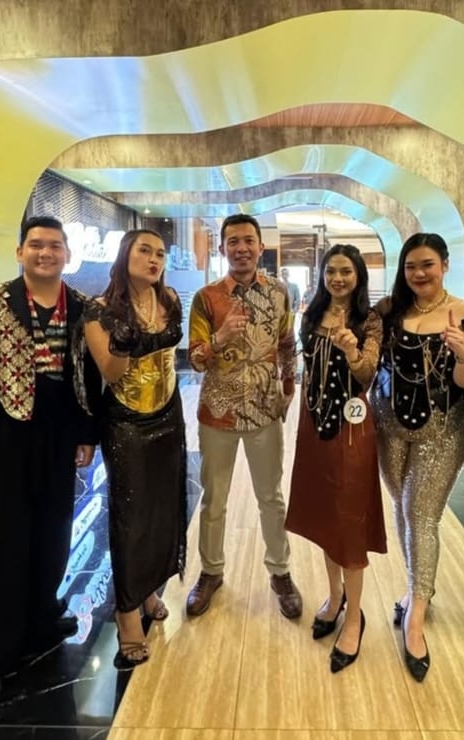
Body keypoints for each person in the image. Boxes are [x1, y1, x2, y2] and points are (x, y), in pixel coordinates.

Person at [0, 216, 100, 711]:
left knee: (53, 533)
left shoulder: (83, 306)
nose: (45, 253)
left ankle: (39, 623)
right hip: (1, 440)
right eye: (36, 245)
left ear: (67, 254)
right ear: (20, 252)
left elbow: (87, 375)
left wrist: (86, 435)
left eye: (54, 245)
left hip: (57, 435)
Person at [370, 232, 464, 682]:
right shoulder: (389, 310)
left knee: (421, 515)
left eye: (427, 265)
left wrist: (462, 352)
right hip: (387, 425)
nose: (419, 274)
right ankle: (418, 588)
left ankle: (415, 617)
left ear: (444, 265)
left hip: (441, 429)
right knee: (402, 507)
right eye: (411, 266)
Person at [186, 214, 302, 619]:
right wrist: (219, 339)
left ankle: (280, 571)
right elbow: (195, 360)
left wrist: (289, 386)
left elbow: (287, 343)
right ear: (222, 248)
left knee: (271, 497)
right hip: (217, 412)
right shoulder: (206, 298)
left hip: (265, 411)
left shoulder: (279, 293)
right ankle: (211, 571)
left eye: (248, 241)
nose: (241, 248)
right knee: (213, 499)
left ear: (260, 247)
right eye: (233, 241)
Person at [84, 228, 187, 669]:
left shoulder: (169, 300)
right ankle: (127, 612)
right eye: (145, 250)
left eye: (160, 253)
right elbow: (109, 372)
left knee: (163, 506)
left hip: (169, 412)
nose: (154, 259)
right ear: (126, 254)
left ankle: (148, 591)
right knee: (130, 515)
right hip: (126, 420)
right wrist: (124, 340)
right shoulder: (100, 310)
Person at [285, 244, 387, 674]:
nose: (338, 278)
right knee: (326, 515)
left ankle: (355, 616)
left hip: (352, 428)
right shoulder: (311, 316)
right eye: (331, 271)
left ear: (359, 275)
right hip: (314, 425)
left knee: (349, 518)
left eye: (346, 271)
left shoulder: (370, 320)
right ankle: (335, 595)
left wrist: (351, 350)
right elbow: (307, 368)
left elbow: (367, 374)